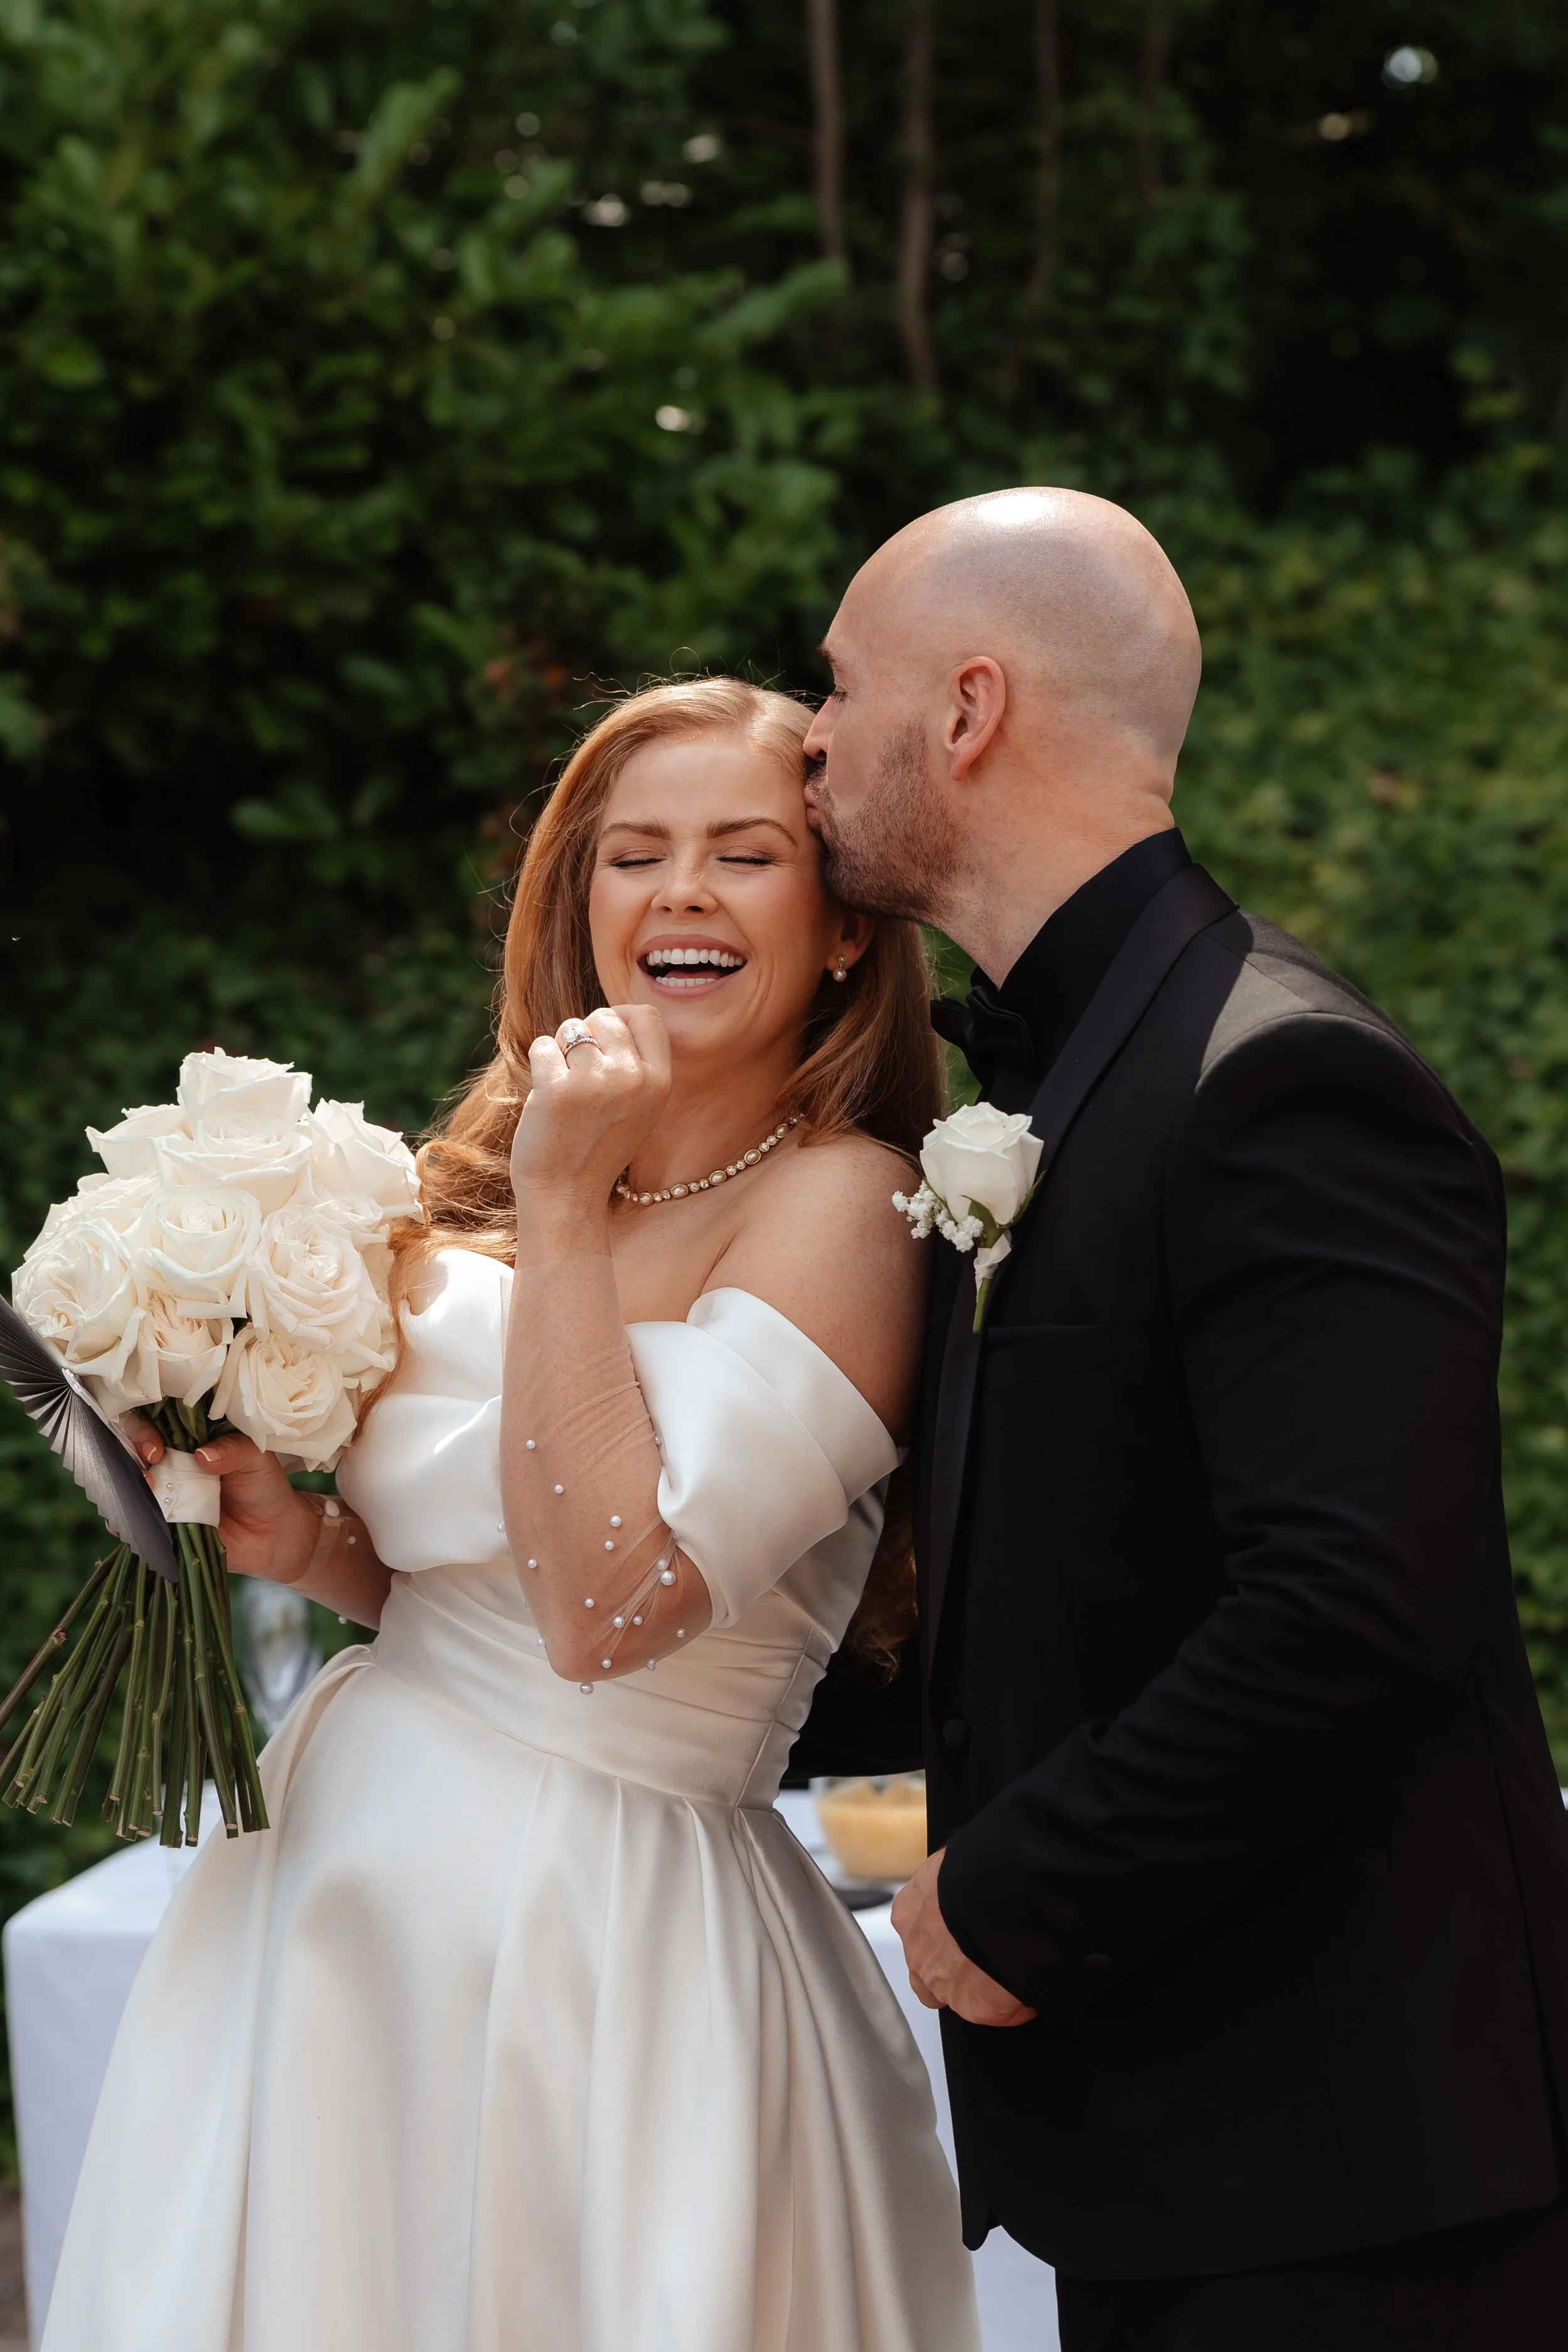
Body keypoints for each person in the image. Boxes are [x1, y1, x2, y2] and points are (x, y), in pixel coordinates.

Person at [41, 678, 982, 2352]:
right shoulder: (500, 1163)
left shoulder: (841, 1201)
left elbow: (609, 1607)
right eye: (635, 854)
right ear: (584, 905)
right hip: (341, 1885)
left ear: (841, 928)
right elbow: (467, 1585)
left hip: (597, 1924)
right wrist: (307, 1542)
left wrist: (557, 1195)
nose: (679, 890)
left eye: (743, 853)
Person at [802, 487, 1568, 2350]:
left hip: (1353, 2168)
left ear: (967, 710)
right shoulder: (1066, 1070)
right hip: (1184, 2147)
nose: (809, 739)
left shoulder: (1279, 1074)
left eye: (837, 687)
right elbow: (1072, 1573)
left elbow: (1351, 1605)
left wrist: (1012, 1890)